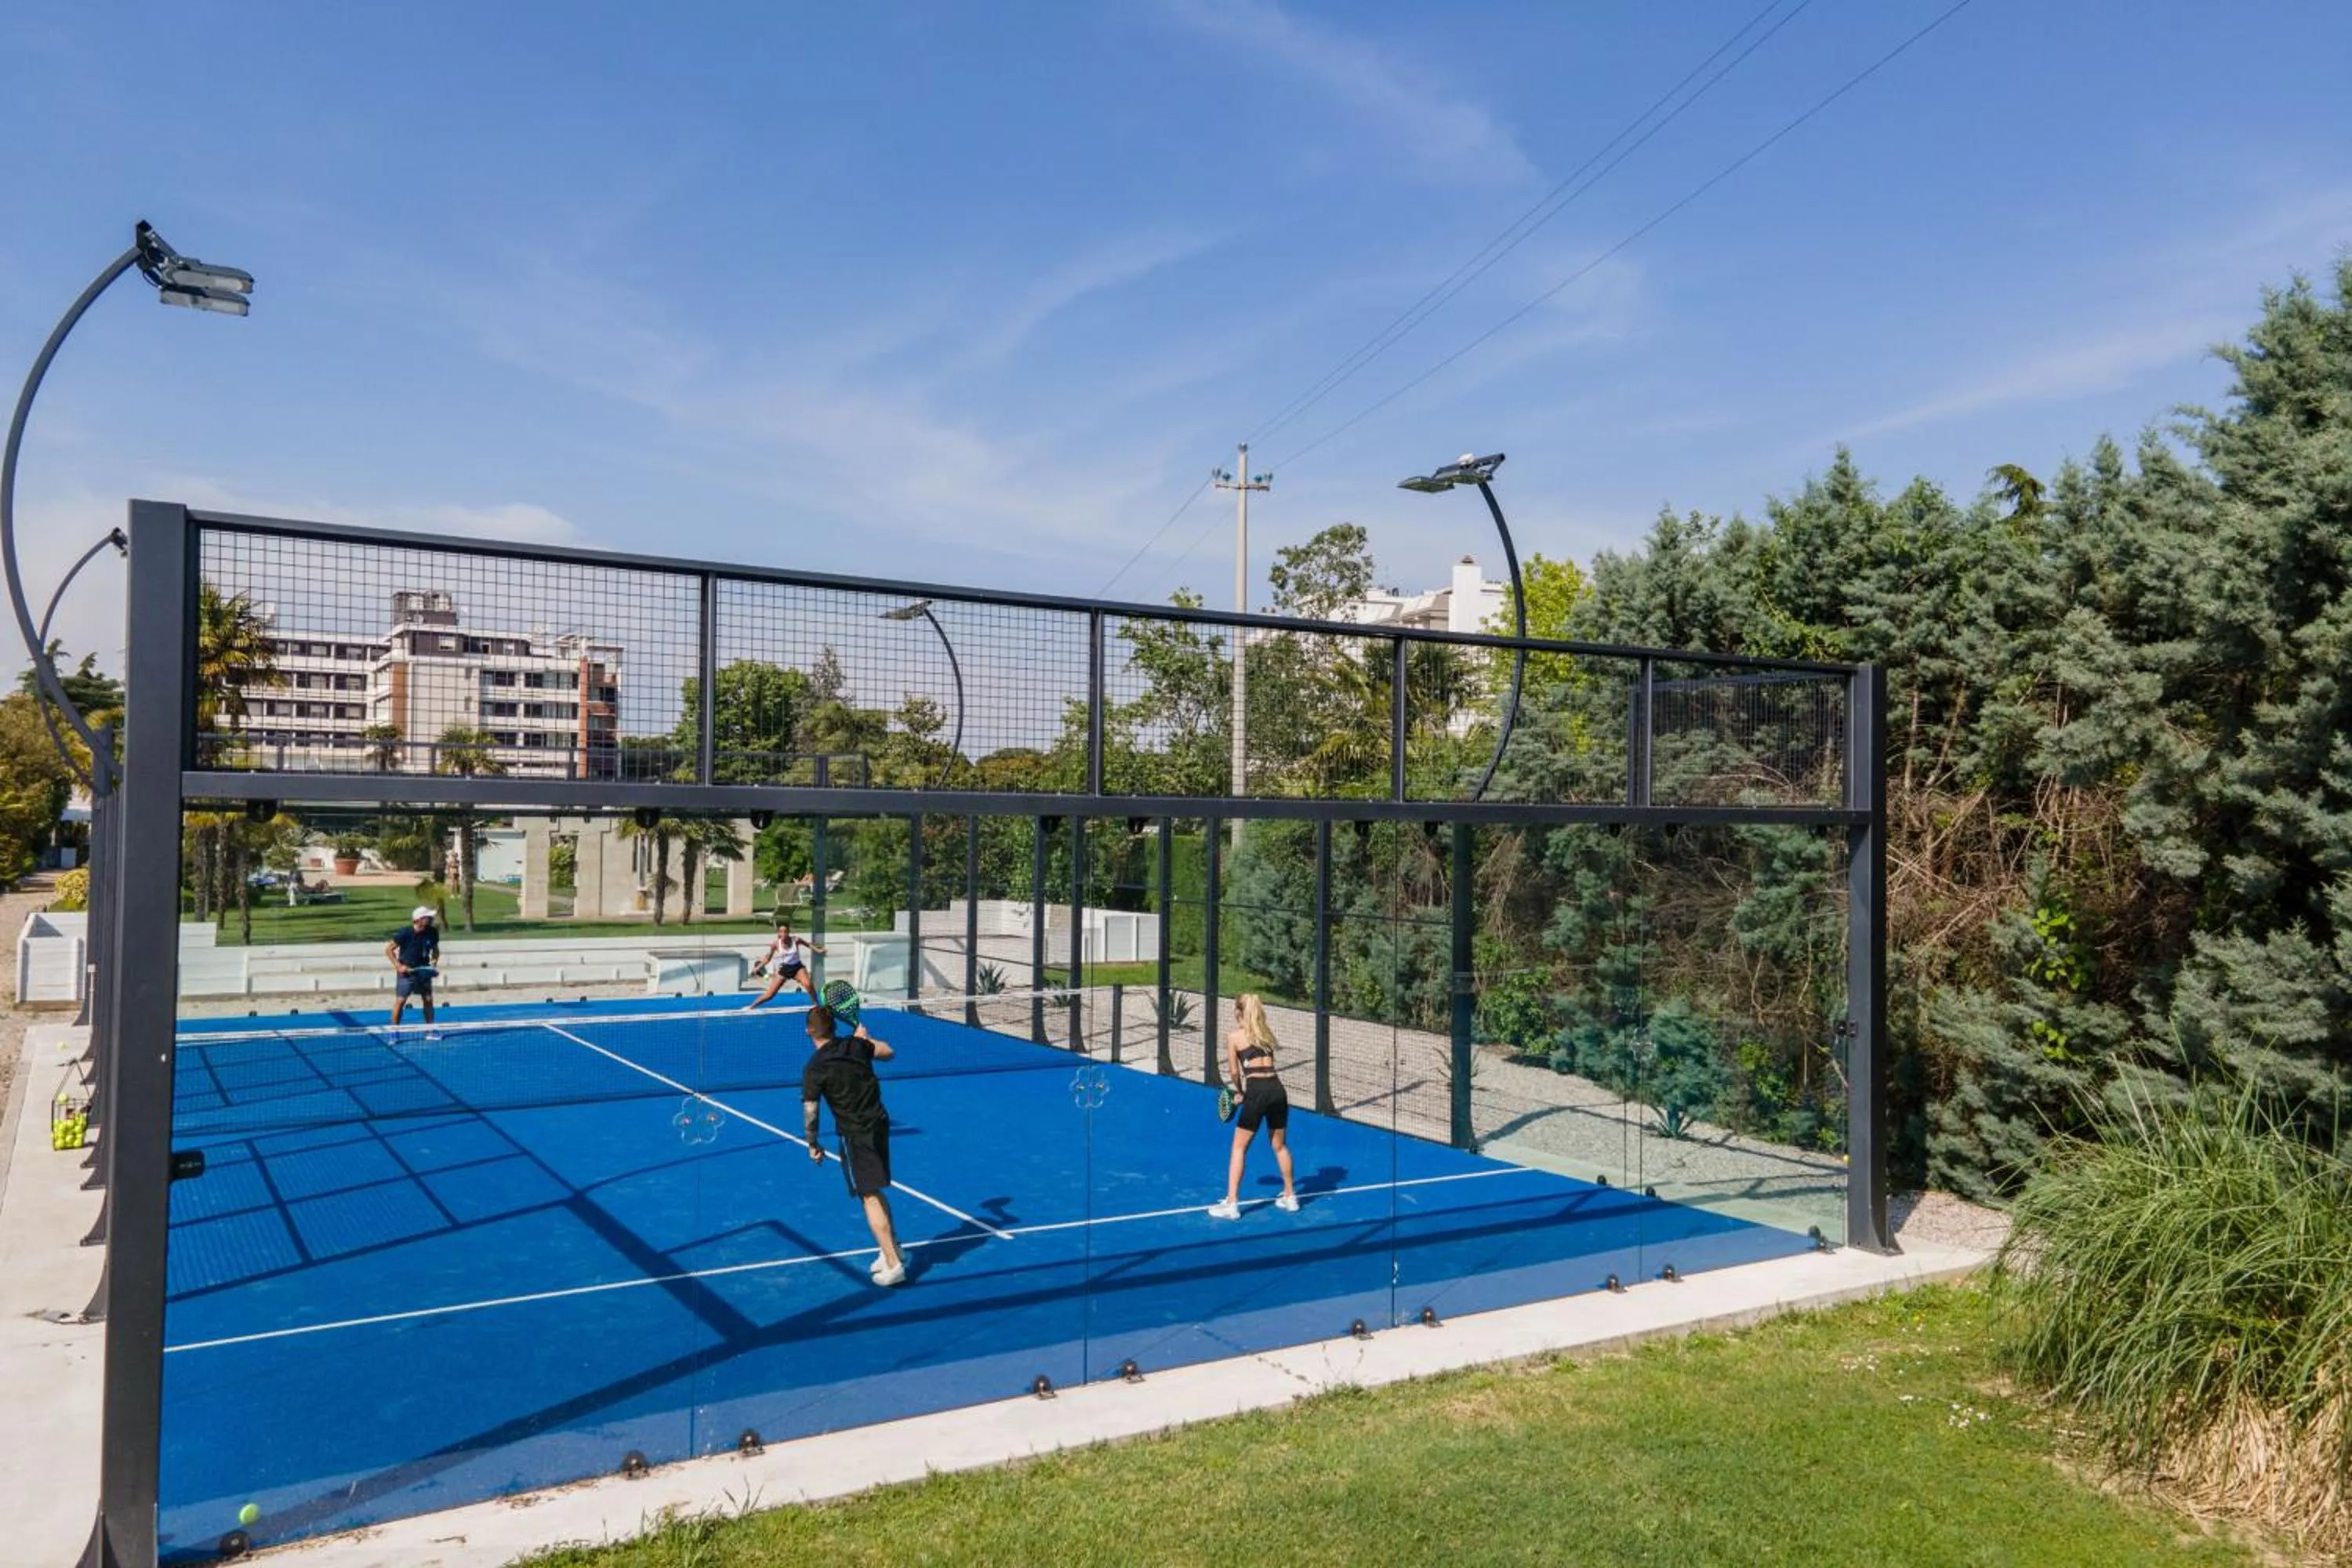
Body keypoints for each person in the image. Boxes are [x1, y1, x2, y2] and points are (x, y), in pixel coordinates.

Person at [801, 1004, 907, 1286]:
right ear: (834, 1027)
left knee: (868, 1195)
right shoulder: (856, 1046)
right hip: (880, 1124)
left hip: (855, 1135)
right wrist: (864, 1041)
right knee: (874, 1190)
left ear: (809, 1031)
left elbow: (811, 1111)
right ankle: (892, 1250)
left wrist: (812, 1143)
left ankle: (895, 1265)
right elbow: (888, 1052)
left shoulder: (814, 1067)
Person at [1208, 993, 1299, 1218]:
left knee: (1239, 1148)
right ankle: (1290, 1196)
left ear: (1238, 1012)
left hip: (1257, 1091)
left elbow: (1233, 1071)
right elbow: (1266, 1068)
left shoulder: (1235, 1037)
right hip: (1278, 1090)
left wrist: (1239, 1092)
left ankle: (1231, 1204)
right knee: (1280, 1146)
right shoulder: (1266, 1035)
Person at [745, 916, 824, 1009]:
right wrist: (758, 968)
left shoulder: (796, 940)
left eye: (785, 931)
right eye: (781, 932)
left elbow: (808, 945)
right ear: (778, 933)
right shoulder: (775, 944)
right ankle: (751, 1006)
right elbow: (768, 959)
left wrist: (818, 951)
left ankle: (816, 1005)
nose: (784, 934)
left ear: (788, 932)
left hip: (798, 968)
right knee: (770, 995)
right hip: (785, 969)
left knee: (808, 984)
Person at [386, 906, 441, 1033]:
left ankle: (430, 1031)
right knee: (401, 1001)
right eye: (428, 917)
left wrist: (434, 962)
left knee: (428, 1000)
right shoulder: (405, 933)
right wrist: (399, 966)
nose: (432, 919)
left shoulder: (432, 932)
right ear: (420, 920)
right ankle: (394, 1032)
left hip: (424, 971)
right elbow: (389, 950)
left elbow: (436, 950)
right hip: (407, 971)